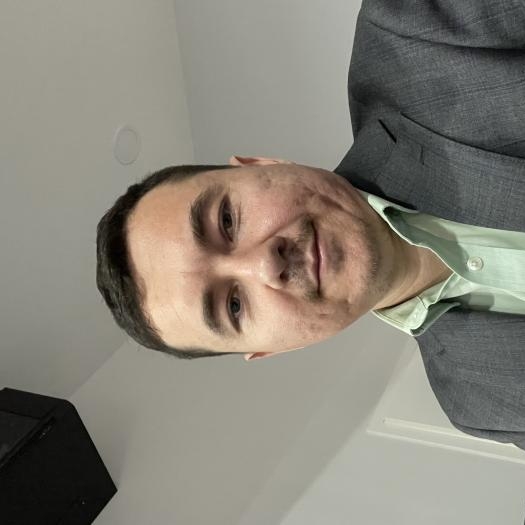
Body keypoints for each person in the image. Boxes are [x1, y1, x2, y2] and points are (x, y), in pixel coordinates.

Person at [96, 0, 525, 448]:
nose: (265, 265)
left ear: (262, 164)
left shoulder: (417, 29)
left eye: (226, 221)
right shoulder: (480, 405)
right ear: (277, 348)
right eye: (234, 306)